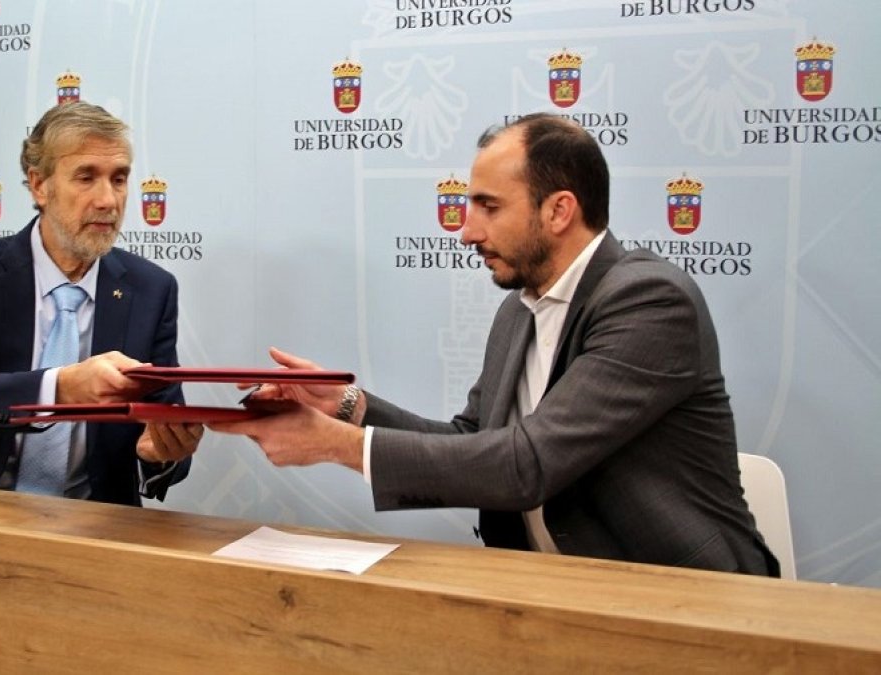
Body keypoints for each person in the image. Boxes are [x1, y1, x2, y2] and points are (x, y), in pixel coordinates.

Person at [212, 113, 778, 576]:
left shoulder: (650, 300)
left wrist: (337, 445)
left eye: (489, 206)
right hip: (551, 590)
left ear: (559, 210)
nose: (467, 231)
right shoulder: (520, 307)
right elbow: (476, 441)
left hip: (685, 599)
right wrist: (344, 407)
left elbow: (526, 464)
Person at [0, 101, 202, 505]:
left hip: (96, 524)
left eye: (118, 179)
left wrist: (158, 455)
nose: (108, 200)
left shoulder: (152, 290)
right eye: (86, 177)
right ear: (39, 185)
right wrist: (58, 388)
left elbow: (165, 424)